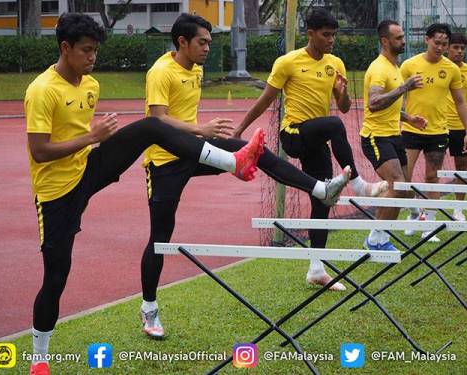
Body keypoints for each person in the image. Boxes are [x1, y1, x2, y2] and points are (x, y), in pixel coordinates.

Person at [26, 13, 268, 375]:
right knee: (57, 276)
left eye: (95, 50)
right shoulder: (42, 90)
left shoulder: (89, 85)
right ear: (65, 48)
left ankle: (232, 162)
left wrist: (93, 145)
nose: (93, 57)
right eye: (86, 50)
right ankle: (39, 359)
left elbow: (98, 135)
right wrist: (93, 137)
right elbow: (40, 152)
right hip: (57, 192)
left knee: (152, 126)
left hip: (89, 167)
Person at [139, 13, 351, 339]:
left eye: (210, 42)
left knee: (256, 152)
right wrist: (200, 129)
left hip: (196, 151)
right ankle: (149, 308)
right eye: (203, 42)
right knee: (160, 237)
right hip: (165, 163)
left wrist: (204, 137)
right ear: (182, 42)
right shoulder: (161, 71)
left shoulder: (194, 69)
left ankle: (320, 189)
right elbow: (157, 121)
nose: (208, 48)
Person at [233, 8, 387, 289]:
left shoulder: (335, 63)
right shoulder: (288, 62)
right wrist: (239, 129)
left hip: (317, 140)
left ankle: (317, 268)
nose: (331, 41)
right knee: (334, 126)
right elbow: (266, 100)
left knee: (323, 200)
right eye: (326, 35)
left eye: (334, 36)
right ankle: (359, 184)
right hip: (293, 134)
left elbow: (343, 108)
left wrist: (341, 94)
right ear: (311, 33)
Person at [400, 23, 467, 241]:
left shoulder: (451, 69)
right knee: (404, 177)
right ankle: (414, 214)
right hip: (411, 130)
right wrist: (406, 118)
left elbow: (461, 102)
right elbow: (396, 96)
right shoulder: (409, 65)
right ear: (427, 40)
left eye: (445, 44)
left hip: (438, 132)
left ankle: (429, 225)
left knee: (432, 177)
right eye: (437, 42)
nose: (441, 47)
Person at [360, 20, 428, 250]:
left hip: (393, 135)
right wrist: (404, 87)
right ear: (384, 41)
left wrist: (409, 119)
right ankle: (377, 239)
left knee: (402, 188)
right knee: (398, 184)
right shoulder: (379, 68)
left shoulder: (394, 67)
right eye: (398, 38)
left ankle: (379, 232)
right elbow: (374, 102)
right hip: (375, 137)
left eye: (403, 36)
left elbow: (389, 105)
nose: (403, 41)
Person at [445, 32, 467, 221]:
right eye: (455, 47)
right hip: (439, 127)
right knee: (433, 169)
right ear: (447, 48)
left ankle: (458, 209)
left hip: (461, 128)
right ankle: (430, 211)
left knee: (461, 166)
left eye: (462, 48)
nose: (459, 51)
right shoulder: (440, 68)